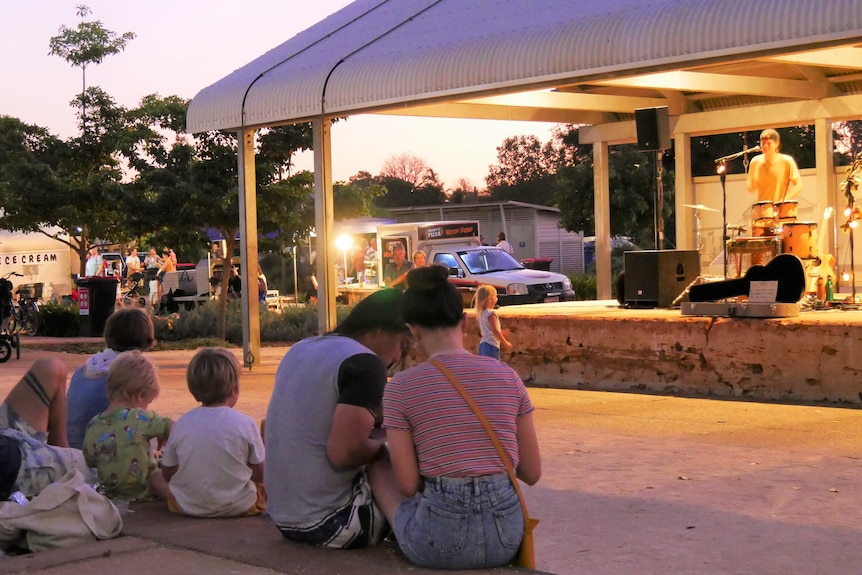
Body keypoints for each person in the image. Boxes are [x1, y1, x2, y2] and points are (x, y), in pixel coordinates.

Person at [382, 265, 541, 569]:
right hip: (506, 538)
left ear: (412, 331)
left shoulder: (400, 388)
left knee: (378, 467)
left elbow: (407, 485)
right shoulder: (508, 377)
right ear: (466, 322)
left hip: (439, 541)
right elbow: (531, 473)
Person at [264, 288, 410, 549]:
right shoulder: (365, 363)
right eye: (401, 344)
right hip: (334, 523)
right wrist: (388, 449)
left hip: (285, 521)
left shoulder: (301, 348)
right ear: (380, 329)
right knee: (398, 448)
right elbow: (344, 453)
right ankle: (413, 532)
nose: (398, 357)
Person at [160, 348, 266, 517]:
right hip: (241, 505)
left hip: (187, 506)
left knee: (154, 477)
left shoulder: (182, 423)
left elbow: (167, 472)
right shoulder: (245, 423)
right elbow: (260, 473)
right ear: (234, 389)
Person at [83, 350, 171, 501]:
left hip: (113, 495)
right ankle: (180, 500)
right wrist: (166, 434)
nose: (147, 408)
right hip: (145, 490)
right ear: (140, 396)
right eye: (148, 403)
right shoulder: (139, 416)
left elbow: (90, 460)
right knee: (157, 474)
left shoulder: (93, 424)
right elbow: (175, 427)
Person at [1, 358, 92, 501]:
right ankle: (65, 468)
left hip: (5, 441)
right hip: (9, 465)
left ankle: (60, 455)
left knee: (50, 367)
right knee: (100, 469)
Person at [66, 307, 157, 449]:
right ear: (146, 340)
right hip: (98, 455)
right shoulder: (130, 376)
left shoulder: (84, 369)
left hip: (71, 447)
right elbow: (137, 423)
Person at [747, 128, 803, 204]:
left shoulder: (786, 160)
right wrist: (754, 177)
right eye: (763, 143)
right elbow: (750, 189)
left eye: (769, 143)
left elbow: (798, 185)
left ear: (777, 144)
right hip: (762, 208)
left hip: (781, 208)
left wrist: (784, 200)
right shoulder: (755, 161)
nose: (765, 146)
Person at [473, 284, 513, 360]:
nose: (497, 299)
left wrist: (502, 332)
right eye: (495, 296)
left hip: (483, 345)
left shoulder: (481, 314)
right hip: (491, 345)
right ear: (489, 299)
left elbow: (489, 330)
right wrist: (505, 343)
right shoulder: (491, 314)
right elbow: (495, 331)